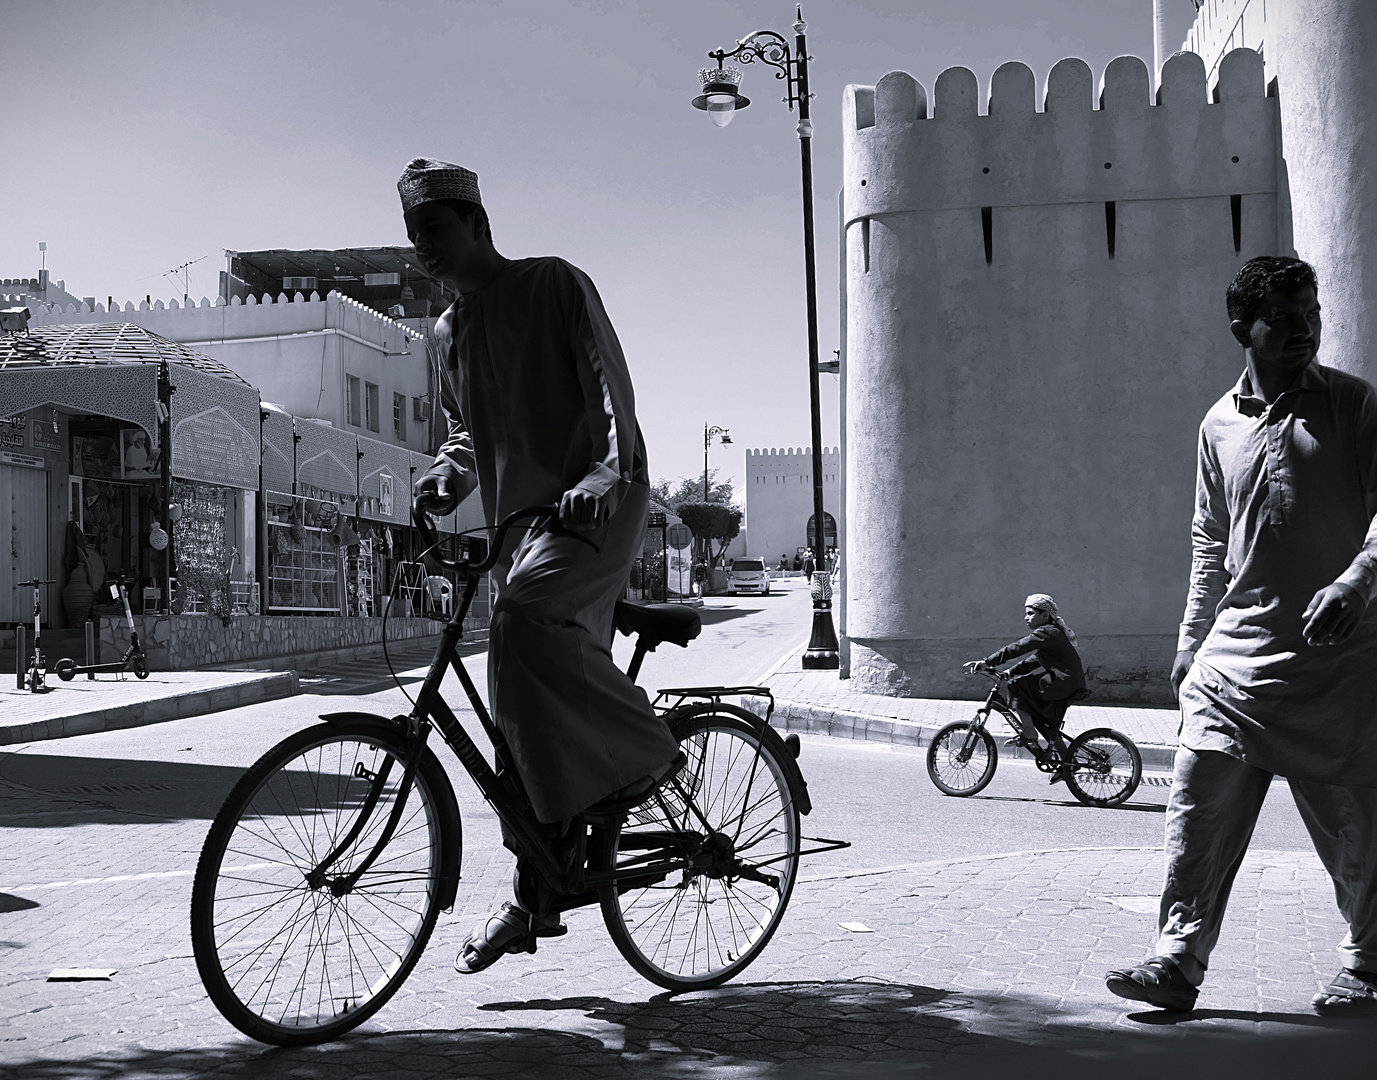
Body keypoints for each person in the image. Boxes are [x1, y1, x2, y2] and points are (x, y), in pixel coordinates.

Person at [400, 158, 681, 975]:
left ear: (477, 223)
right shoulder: (446, 333)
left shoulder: (553, 283)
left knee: (522, 625)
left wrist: (602, 471)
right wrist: (448, 476)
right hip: (522, 532)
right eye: (415, 238)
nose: (425, 249)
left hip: (597, 504)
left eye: (436, 231)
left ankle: (648, 752)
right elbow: (464, 431)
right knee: (510, 723)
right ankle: (535, 897)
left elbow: (606, 388)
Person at [1105, 256, 1377, 1015]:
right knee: (1197, 808)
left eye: (1310, 312)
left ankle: (1367, 964)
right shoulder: (1216, 424)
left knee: (1354, 825)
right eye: (1283, 318)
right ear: (1241, 330)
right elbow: (1207, 540)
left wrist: (1355, 582)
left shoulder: (1355, 407)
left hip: (1337, 662)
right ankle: (1175, 957)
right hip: (1235, 659)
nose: (1304, 328)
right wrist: (1190, 641)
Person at [964, 594, 1085, 771]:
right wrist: (1010, 672)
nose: (1025, 617)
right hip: (1067, 682)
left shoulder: (1047, 632)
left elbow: (1017, 648)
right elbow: (1035, 659)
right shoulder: (1051, 634)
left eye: (1030, 613)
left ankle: (1028, 733)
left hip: (1061, 681)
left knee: (1016, 686)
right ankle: (1068, 765)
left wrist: (988, 662)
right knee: (1042, 719)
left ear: (1045, 615)